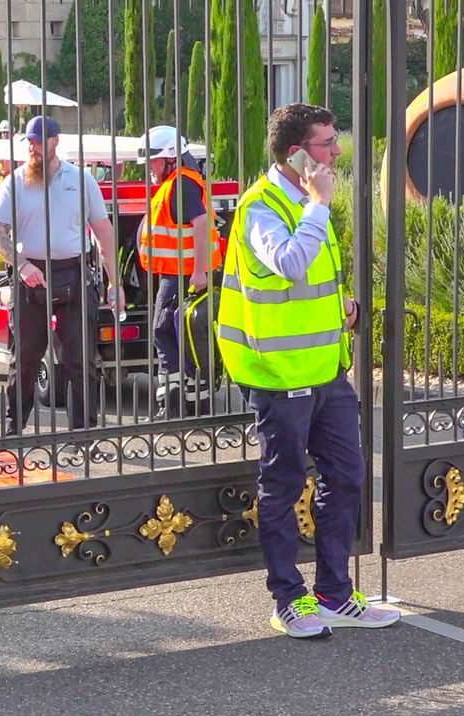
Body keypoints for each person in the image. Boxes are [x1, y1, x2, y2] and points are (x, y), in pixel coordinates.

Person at [216, 103, 399, 638]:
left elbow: (307, 286)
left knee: (346, 477)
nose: (337, 151)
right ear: (297, 153)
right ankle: (288, 600)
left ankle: (335, 594)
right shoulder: (262, 206)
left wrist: (344, 308)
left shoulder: (304, 201)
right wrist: (319, 205)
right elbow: (290, 265)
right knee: (284, 484)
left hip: (325, 370)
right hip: (278, 374)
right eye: (326, 143)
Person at [0, 115, 122, 436]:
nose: (32, 148)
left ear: (55, 141)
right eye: (29, 142)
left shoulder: (81, 181)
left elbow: (104, 231)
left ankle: (83, 433)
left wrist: (115, 282)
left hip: (74, 273)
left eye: (38, 141)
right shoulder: (14, 183)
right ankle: (13, 430)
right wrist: (22, 265)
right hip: (29, 276)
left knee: (80, 360)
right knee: (24, 359)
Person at [137, 125, 223, 419]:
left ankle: (173, 406)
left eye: (153, 160)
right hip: (179, 274)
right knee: (181, 337)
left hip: (183, 276)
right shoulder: (178, 182)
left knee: (164, 332)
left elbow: (200, 225)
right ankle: (190, 405)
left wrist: (199, 273)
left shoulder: (182, 184)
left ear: (170, 158)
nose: (150, 167)